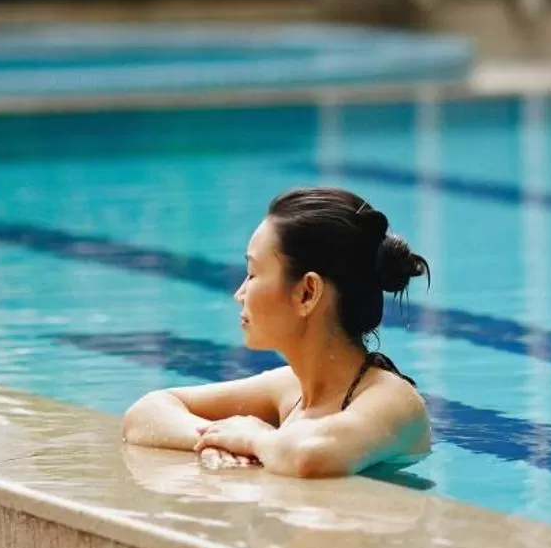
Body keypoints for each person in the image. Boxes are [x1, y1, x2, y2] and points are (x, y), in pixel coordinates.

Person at [120, 187, 432, 477]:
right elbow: (146, 412)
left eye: (253, 274)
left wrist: (252, 437)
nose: (240, 293)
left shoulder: (394, 401)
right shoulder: (289, 387)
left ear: (307, 293)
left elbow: (309, 456)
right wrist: (219, 439)